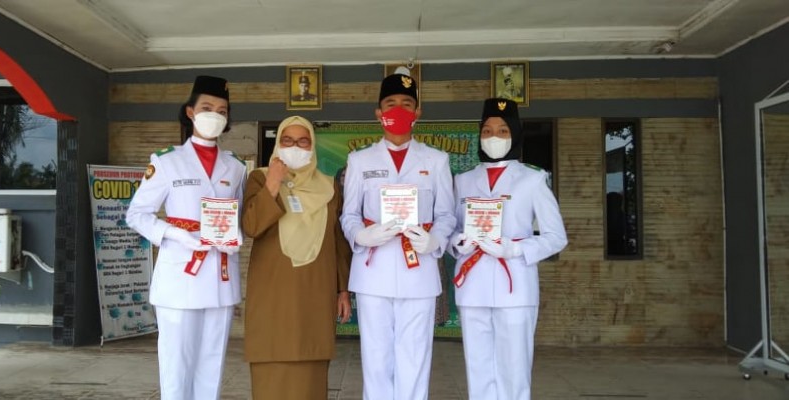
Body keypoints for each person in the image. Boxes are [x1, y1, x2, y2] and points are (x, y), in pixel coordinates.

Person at [126, 75, 246, 400]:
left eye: (222, 110)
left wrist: (236, 233)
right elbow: (137, 214)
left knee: (212, 365)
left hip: (220, 277)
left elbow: (238, 214)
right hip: (180, 277)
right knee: (176, 365)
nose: (214, 115)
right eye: (207, 107)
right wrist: (173, 233)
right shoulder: (167, 161)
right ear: (191, 112)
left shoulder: (236, 167)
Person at [340, 73, 456, 400]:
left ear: (417, 112)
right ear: (379, 113)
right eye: (391, 104)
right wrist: (361, 235)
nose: (399, 110)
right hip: (373, 271)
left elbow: (447, 215)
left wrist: (436, 241)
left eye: (407, 104)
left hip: (419, 270)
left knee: (415, 356)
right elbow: (348, 214)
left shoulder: (436, 160)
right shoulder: (359, 160)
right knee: (376, 358)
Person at [448, 98, 567, 400]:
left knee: (514, 370)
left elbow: (556, 237)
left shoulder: (532, 179)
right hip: (473, 287)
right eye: (487, 131)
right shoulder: (463, 181)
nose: (493, 137)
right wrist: (457, 242)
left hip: (515, 287)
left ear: (514, 135)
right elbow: (451, 229)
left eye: (502, 131)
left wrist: (514, 250)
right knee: (478, 368)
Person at [242, 115, 352, 400]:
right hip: (272, 292)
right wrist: (273, 183)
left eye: (303, 141)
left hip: (316, 291)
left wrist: (343, 290)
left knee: (310, 368)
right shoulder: (259, 178)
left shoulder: (329, 187)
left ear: (312, 146)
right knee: (271, 361)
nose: (295, 147)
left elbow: (338, 241)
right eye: (287, 140)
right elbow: (252, 226)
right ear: (277, 144)